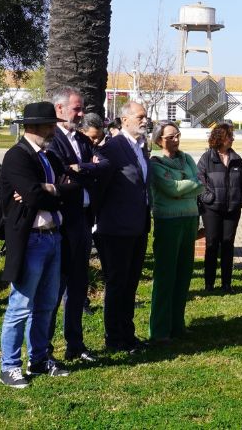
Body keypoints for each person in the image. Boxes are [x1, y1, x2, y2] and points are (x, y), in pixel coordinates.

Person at [0, 102, 78, 388]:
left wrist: (48, 189)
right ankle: (10, 365)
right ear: (33, 127)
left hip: (54, 237)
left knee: (46, 304)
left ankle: (40, 359)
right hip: (31, 240)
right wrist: (49, 189)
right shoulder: (16, 157)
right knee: (20, 305)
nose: (54, 130)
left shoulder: (49, 156)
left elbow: (73, 186)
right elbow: (31, 197)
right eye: (49, 125)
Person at [46, 88, 109, 362]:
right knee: (55, 287)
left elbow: (103, 164)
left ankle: (76, 344)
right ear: (59, 110)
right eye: (76, 109)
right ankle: (44, 348)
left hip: (84, 221)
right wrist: (84, 170)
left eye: (82, 108)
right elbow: (60, 177)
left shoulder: (82, 140)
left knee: (78, 285)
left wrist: (82, 168)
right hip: (63, 222)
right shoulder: (53, 141)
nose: (81, 114)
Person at [94, 101, 152, 353]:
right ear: (124, 119)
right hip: (115, 229)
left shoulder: (141, 147)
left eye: (146, 116)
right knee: (118, 284)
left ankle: (128, 334)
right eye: (140, 116)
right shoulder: (114, 147)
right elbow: (100, 184)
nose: (145, 120)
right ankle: (114, 338)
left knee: (130, 284)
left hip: (138, 227)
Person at [148, 121, 203, 343]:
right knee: (166, 276)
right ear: (160, 140)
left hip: (190, 219)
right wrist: (188, 185)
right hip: (168, 222)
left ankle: (177, 325)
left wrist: (185, 186)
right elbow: (171, 189)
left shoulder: (187, 158)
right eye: (170, 137)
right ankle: (160, 330)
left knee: (183, 274)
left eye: (177, 135)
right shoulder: (156, 163)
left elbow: (200, 183)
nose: (176, 140)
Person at [196, 122, 242, 293]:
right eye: (230, 136)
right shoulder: (207, 158)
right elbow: (199, 181)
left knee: (228, 245)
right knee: (212, 245)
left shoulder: (236, 159)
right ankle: (209, 284)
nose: (232, 139)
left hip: (232, 209)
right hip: (211, 209)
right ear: (220, 138)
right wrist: (207, 198)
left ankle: (227, 283)